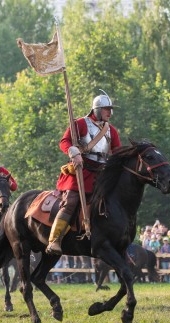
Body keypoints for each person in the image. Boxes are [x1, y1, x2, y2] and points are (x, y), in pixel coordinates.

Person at [46, 92, 121, 255]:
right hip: (81, 171)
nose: (110, 113)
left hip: (100, 175)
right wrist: (74, 152)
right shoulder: (81, 123)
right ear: (97, 109)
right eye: (107, 109)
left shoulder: (111, 131)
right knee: (71, 202)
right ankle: (54, 240)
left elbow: (117, 152)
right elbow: (64, 142)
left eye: (111, 109)